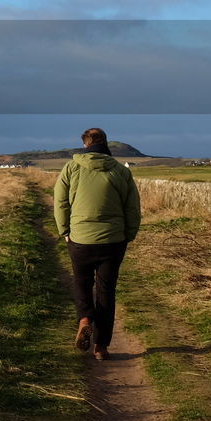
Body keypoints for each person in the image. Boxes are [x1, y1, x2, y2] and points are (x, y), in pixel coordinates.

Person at [54, 127, 141, 361]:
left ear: (85, 144)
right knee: (106, 291)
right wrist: (129, 233)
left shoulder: (71, 168)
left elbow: (60, 201)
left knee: (82, 282)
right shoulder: (121, 172)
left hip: (80, 237)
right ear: (106, 144)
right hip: (113, 239)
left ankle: (84, 319)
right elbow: (132, 206)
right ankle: (101, 346)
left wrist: (64, 230)